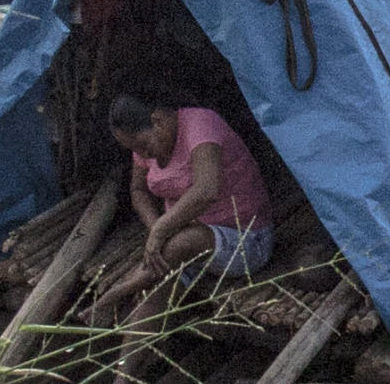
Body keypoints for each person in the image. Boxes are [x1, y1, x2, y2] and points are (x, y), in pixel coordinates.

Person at [109, 91, 274, 283]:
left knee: (182, 244)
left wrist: (161, 229)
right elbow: (138, 190)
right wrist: (155, 225)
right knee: (160, 273)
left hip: (245, 241)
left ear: (158, 121)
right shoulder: (144, 148)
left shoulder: (201, 124)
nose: (142, 155)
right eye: (134, 150)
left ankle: (112, 297)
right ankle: (109, 308)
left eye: (143, 146)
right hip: (188, 246)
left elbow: (206, 190)